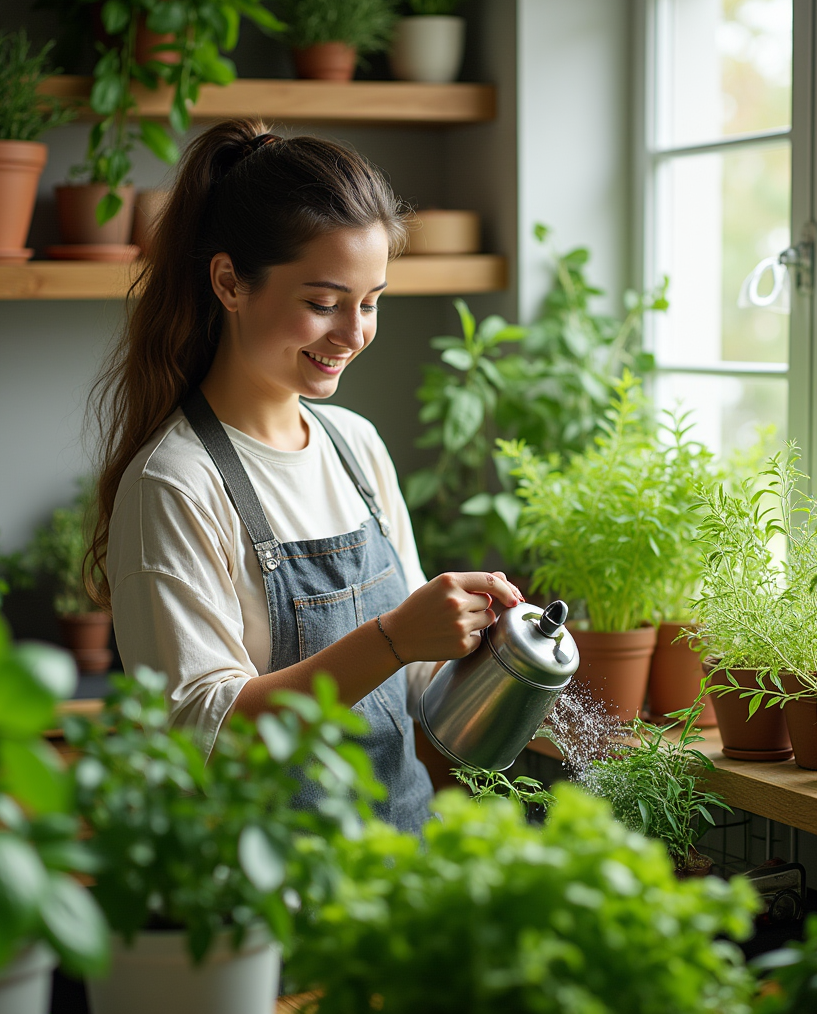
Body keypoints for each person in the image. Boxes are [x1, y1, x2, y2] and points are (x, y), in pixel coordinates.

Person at [87, 119, 522, 833]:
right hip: (270, 897)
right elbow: (203, 732)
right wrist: (393, 636)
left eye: (371, 301)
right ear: (230, 282)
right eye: (323, 304)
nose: (354, 334)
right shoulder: (175, 486)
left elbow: (413, 686)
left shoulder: (355, 446)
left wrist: (487, 646)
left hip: (400, 860)